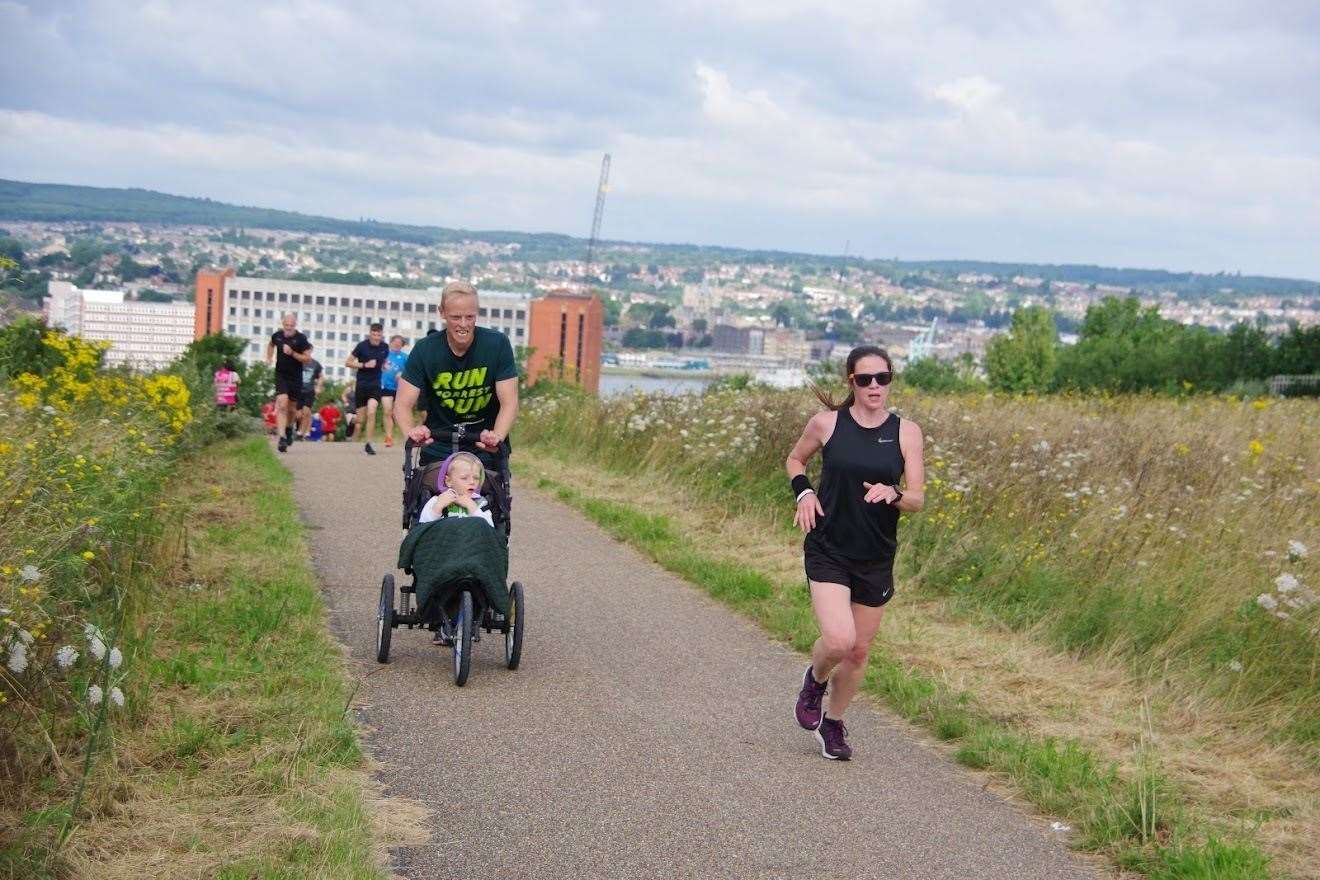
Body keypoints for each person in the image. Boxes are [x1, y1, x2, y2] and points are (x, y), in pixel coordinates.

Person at [786, 345, 925, 761]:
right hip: (829, 546)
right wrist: (804, 492)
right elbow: (795, 460)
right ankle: (815, 680)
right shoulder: (827, 424)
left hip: (876, 554)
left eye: (882, 378)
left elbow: (917, 498)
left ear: (890, 380)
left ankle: (833, 724)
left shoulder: (906, 432)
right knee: (839, 640)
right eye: (865, 379)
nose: (874, 386)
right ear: (851, 381)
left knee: (859, 651)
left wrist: (895, 493)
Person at [393, 281, 518, 475]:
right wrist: (411, 432)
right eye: (456, 317)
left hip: (483, 446)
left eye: (470, 317)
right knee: (427, 496)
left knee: (488, 497)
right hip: (438, 447)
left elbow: (509, 402)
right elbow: (402, 404)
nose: (464, 324)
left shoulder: (497, 344)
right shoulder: (425, 350)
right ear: (441, 312)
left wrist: (497, 436)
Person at [265, 313, 314, 453]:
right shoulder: (277, 336)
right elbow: (271, 345)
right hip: (281, 375)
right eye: (286, 326)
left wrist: (292, 353)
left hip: (296, 377)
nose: (288, 329)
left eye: (291, 326)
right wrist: (269, 358)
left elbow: (307, 359)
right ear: (283, 324)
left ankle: (289, 428)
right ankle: (281, 438)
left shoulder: (301, 339)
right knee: (282, 403)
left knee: (292, 409)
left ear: (295, 325)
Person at [346, 323, 390, 455]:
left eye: (379, 334)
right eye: (374, 334)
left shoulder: (385, 347)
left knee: (372, 412)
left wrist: (385, 366)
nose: (376, 337)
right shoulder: (362, 346)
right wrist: (364, 364)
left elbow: (382, 362)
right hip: (362, 385)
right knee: (361, 419)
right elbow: (348, 362)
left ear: (381, 335)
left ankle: (369, 444)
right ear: (370, 333)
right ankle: (351, 421)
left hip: (375, 385)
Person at [417, 452, 493, 526]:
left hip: (472, 538)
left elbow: (489, 530)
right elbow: (423, 527)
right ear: (448, 481)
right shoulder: (437, 500)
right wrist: (437, 508)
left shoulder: (480, 503)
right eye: (464, 478)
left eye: (476, 478)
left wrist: (473, 508)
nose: (472, 482)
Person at [380, 335, 409, 448]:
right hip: (386, 387)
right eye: (395, 342)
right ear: (391, 343)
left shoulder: (405, 357)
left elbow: (412, 371)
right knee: (387, 411)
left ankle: (406, 436)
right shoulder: (384, 355)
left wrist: (403, 375)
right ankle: (389, 437)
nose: (397, 344)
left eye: (399, 343)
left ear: (402, 345)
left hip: (400, 389)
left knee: (398, 413)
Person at [296, 357, 324, 440]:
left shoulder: (315, 364)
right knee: (298, 415)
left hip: (309, 391)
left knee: (306, 412)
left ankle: (302, 433)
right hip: (298, 390)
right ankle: (299, 430)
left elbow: (321, 377)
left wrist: (318, 387)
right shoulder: (298, 361)